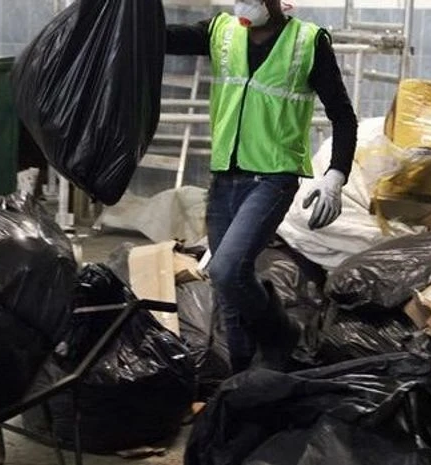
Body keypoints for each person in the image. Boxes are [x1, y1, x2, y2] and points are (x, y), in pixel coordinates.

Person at [166, 0, 358, 373]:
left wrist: (336, 175)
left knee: (226, 270)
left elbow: (342, 115)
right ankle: (240, 377)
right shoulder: (220, 32)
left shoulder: (307, 42)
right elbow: (158, 39)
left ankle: (280, 333)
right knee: (227, 291)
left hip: (273, 178)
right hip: (225, 177)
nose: (245, 4)